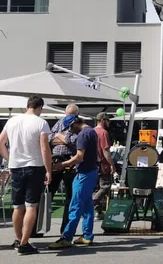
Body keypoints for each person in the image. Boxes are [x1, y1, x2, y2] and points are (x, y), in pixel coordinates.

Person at [0, 96, 52, 256]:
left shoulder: (12, 121)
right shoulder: (41, 122)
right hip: (34, 166)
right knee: (31, 205)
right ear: (40, 107)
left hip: (16, 166)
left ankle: (19, 239)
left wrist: (10, 159)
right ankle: (24, 242)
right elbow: (44, 148)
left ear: (27, 105)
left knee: (18, 206)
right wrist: (48, 169)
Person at [48, 118, 99, 249]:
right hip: (91, 172)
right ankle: (87, 235)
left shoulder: (82, 134)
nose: (70, 132)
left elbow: (79, 156)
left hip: (84, 174)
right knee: (87, 206)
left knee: (75, 206)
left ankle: (66, 237)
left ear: (74, 124)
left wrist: (62, 164)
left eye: (70, 129)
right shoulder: (91, 131)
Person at [48, 104, 80, 234]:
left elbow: (75, 141)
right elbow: (49, 138)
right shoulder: (60, 122)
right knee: (49, 193)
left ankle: (65, 229)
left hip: (70, 161)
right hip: (56, 160)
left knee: (69, 196)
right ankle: (39, 227)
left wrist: (60, 137)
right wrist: (65, 139)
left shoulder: (78, 123)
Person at [93, 112, 115, 220]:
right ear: (102, 120)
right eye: (108, 120)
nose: (109, 123)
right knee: (105, 187)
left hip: (92, 164)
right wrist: (112, 164)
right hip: (102, 165)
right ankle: (91, 203)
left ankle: (98, 211)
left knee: (96, 188)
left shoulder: (92, 131)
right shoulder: (103, 133)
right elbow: (106, 151)